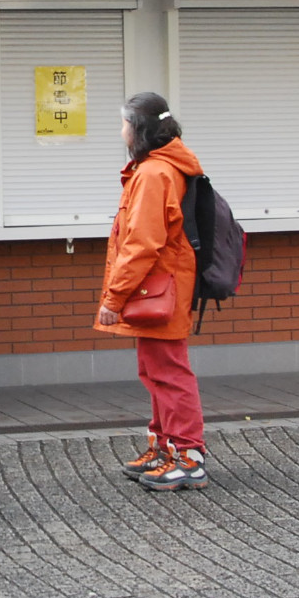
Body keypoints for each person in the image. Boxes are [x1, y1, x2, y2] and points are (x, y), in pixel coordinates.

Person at [96, 93, 211, 492]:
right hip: (164, 286)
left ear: (139, 129)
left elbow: (141, 243)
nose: (121, 132)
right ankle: (165, 448)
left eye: (124, 123)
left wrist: (114, 298)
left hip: (158, 288)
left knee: (169, 372)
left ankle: (187, 457)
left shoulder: (153, 174)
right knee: (157, 370)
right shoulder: (163, 167)